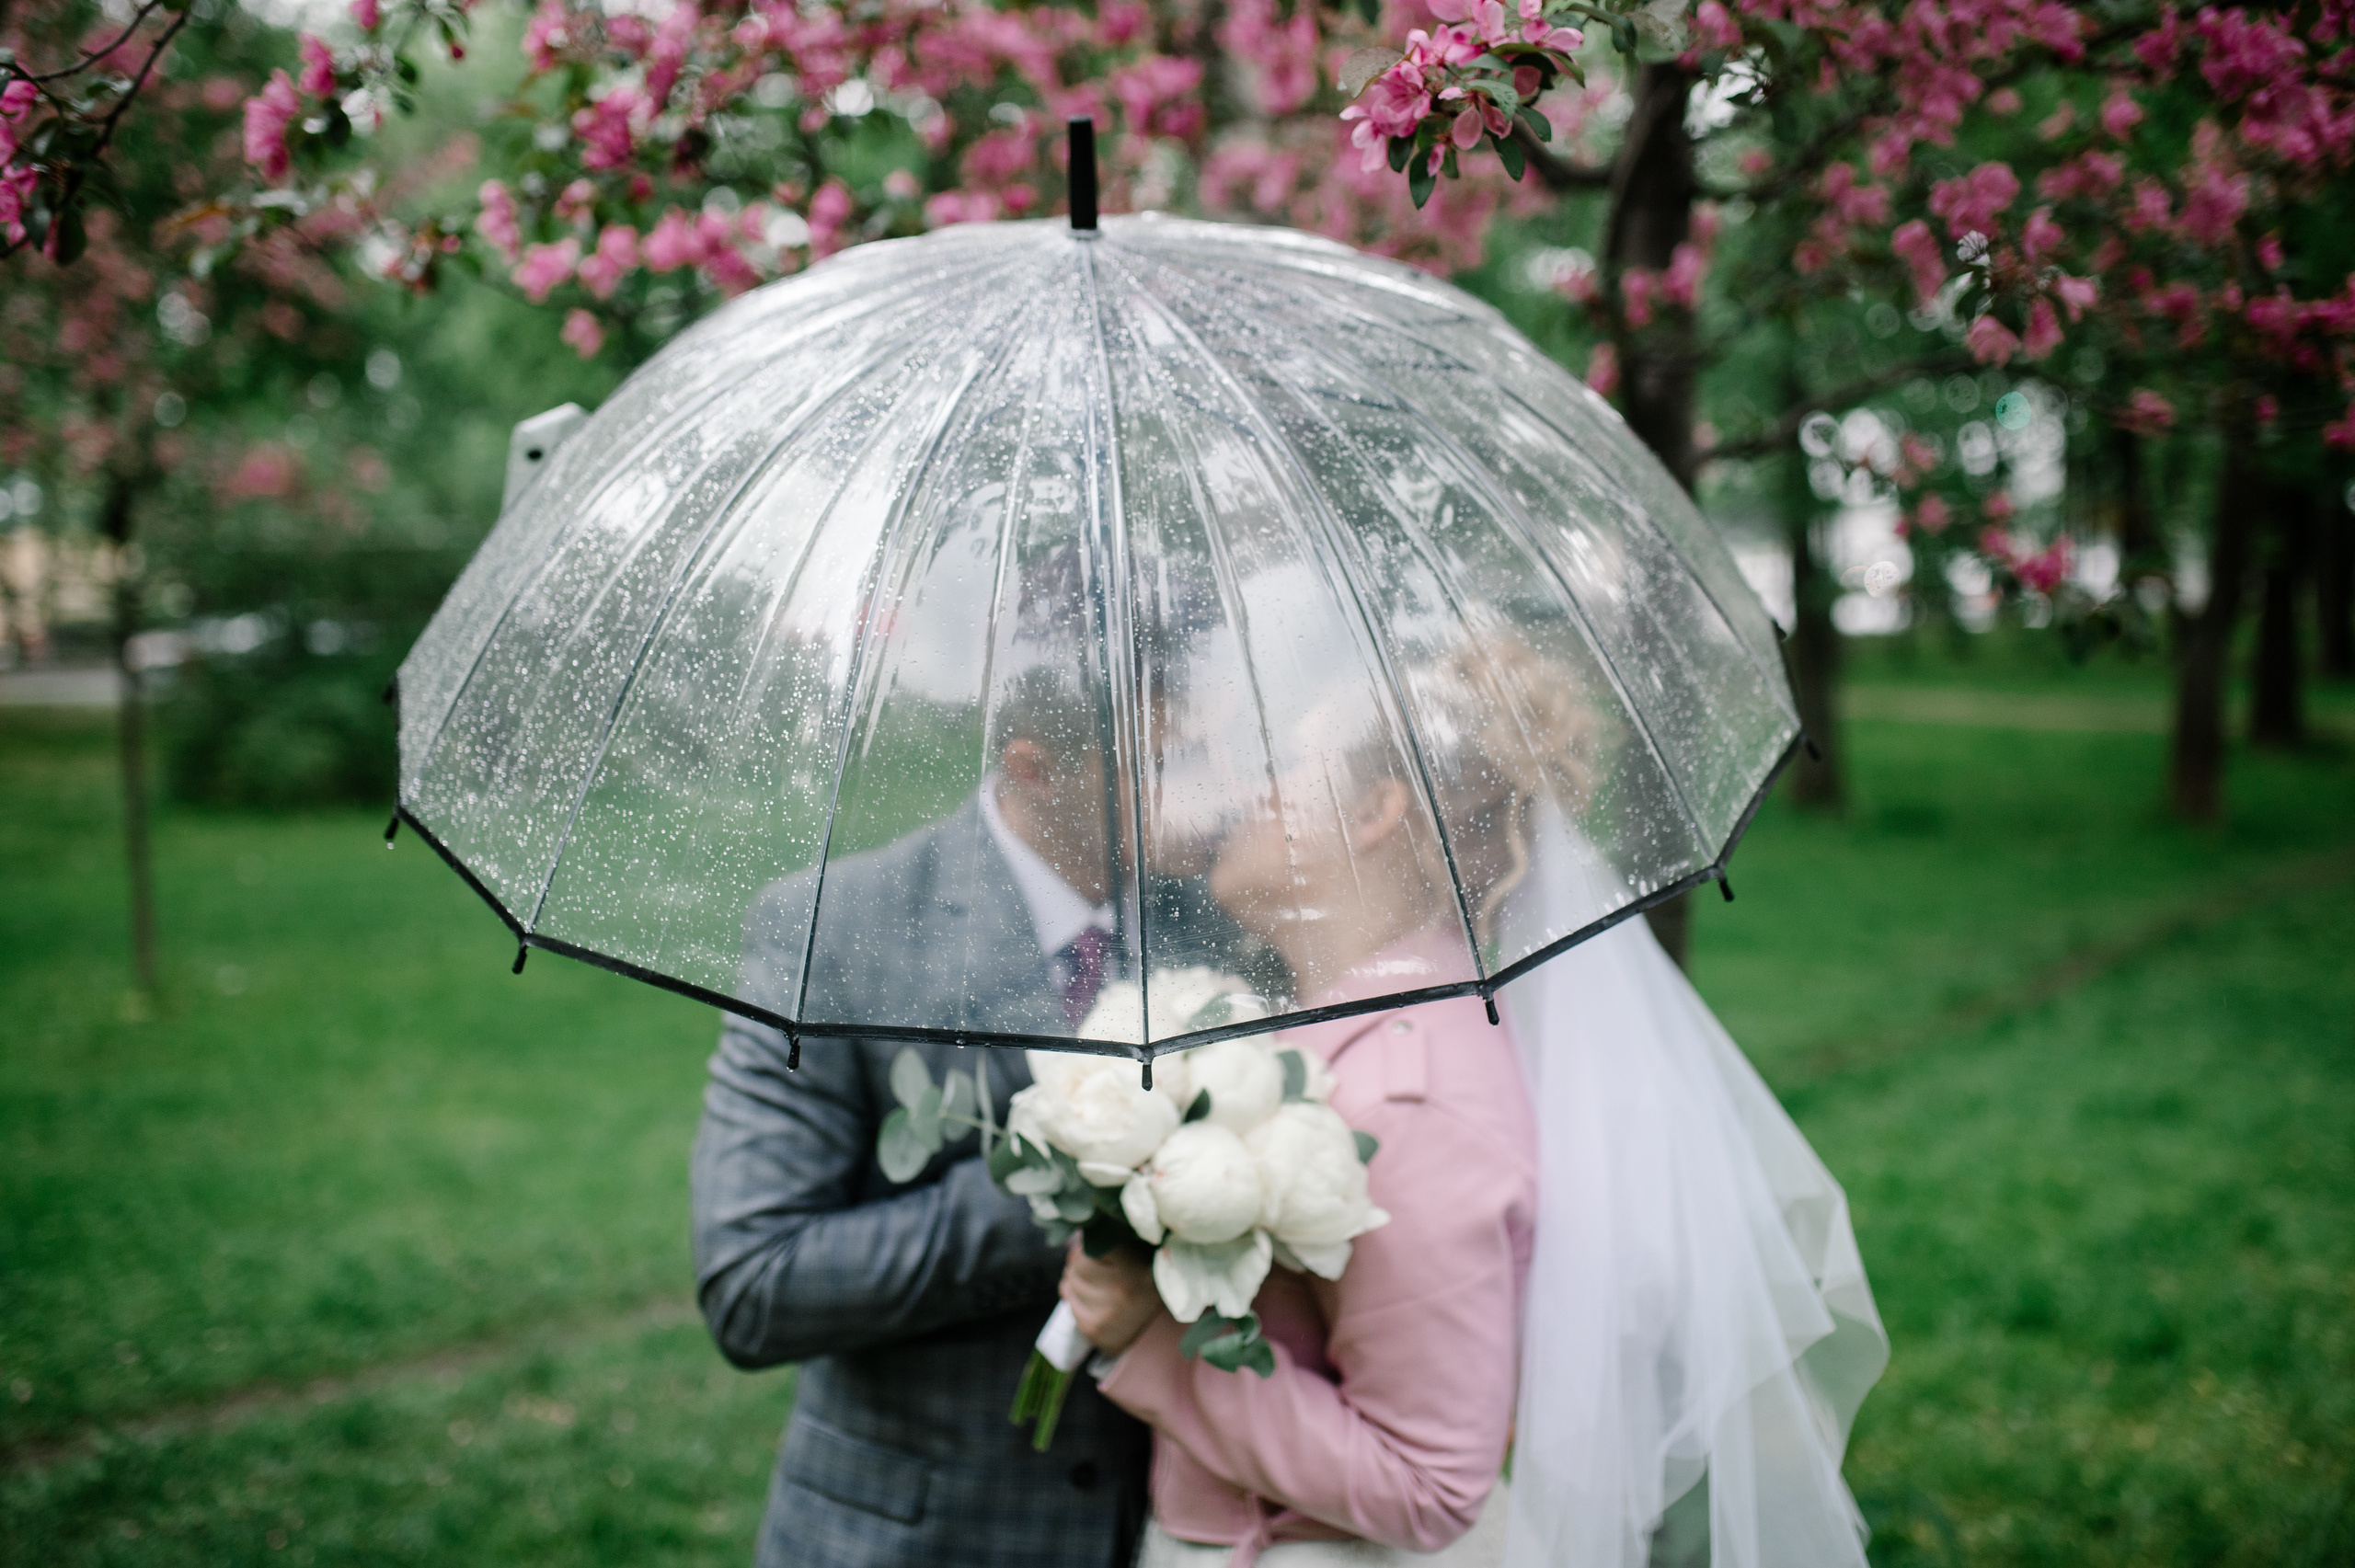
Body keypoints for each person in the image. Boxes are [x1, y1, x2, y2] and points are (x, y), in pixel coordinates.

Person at [1063, 630, 1888, 1568]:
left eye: (1284, 762)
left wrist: (1154, 1339)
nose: (1248, 789)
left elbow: (1427, 1481)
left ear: (1377, 810)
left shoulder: (1413, 1098)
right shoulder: (1340, 1029)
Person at [690, 657, 1261, 1568]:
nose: (1224, 794)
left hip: (1165, 1529)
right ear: (1034, 766)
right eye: (1173, 762)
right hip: (920, 1535)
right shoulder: (833, 929)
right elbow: (756, 1283)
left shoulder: (1224, 917)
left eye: (1221, 754)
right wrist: (1078, 1178)